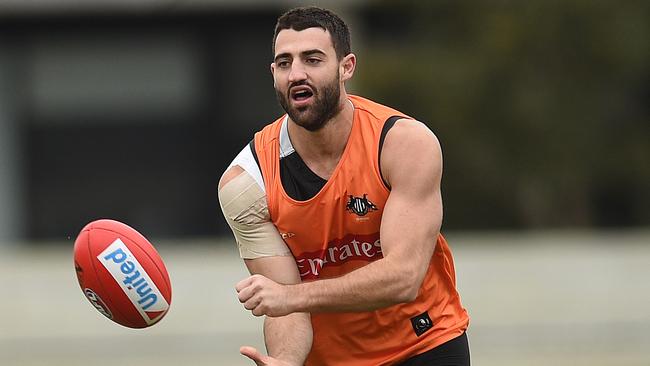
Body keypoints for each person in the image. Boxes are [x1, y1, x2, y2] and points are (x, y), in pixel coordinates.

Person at [218, 6, 470, 366]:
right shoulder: (247, 182)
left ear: (346, 66)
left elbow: (403, 278)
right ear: (273, 74)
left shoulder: (402, 143)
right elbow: (283, 304)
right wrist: (287, 360)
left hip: (423, 343)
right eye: (285, 63)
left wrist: (291, 297)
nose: (297, 74)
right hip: (330, 359)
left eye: (313, 59)